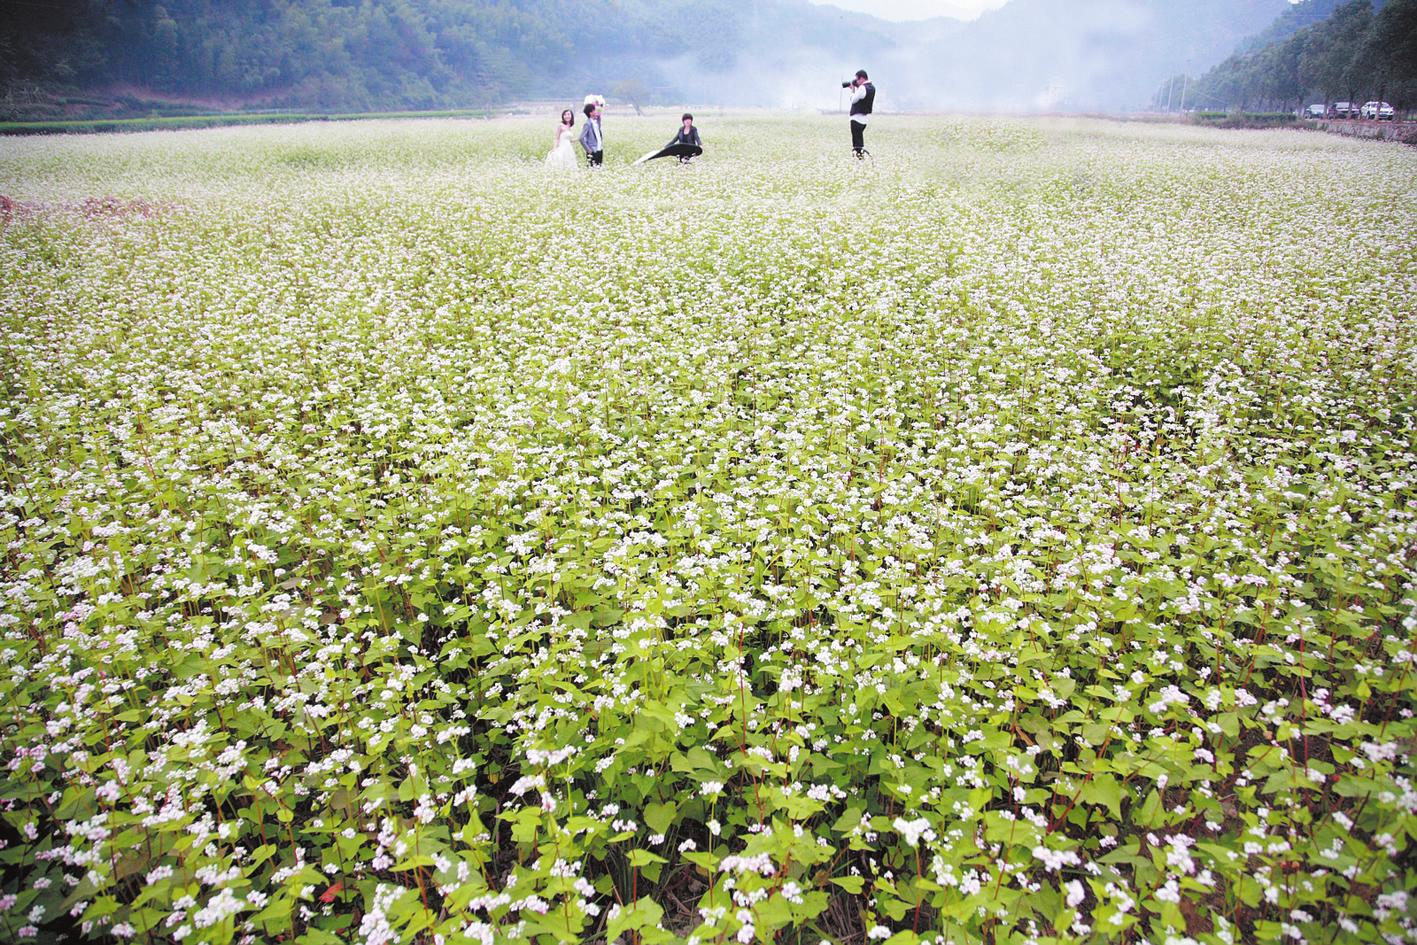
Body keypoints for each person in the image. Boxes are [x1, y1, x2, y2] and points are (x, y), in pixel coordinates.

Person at [847, 69, 875, 158]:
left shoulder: (863, 88)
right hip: (864, 120)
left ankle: (859, 162)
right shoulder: (872, 88)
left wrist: (852, 90)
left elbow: (853, 100)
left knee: (857, 145)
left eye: (857, 79)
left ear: (862, 78)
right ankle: (859, 160)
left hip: (856, 119)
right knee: (859, 143)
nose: (856, 81)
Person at [579, 100, 604, 168]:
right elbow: (581, 138)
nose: (596, 111)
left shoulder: (597, 122)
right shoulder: (587, 124)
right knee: (592, 169)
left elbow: (599, 114)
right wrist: (588, 149)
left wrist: (598, 104)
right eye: (595, 110)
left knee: (599, 169)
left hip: (599, 149)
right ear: (591, 113)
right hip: (592, 150)